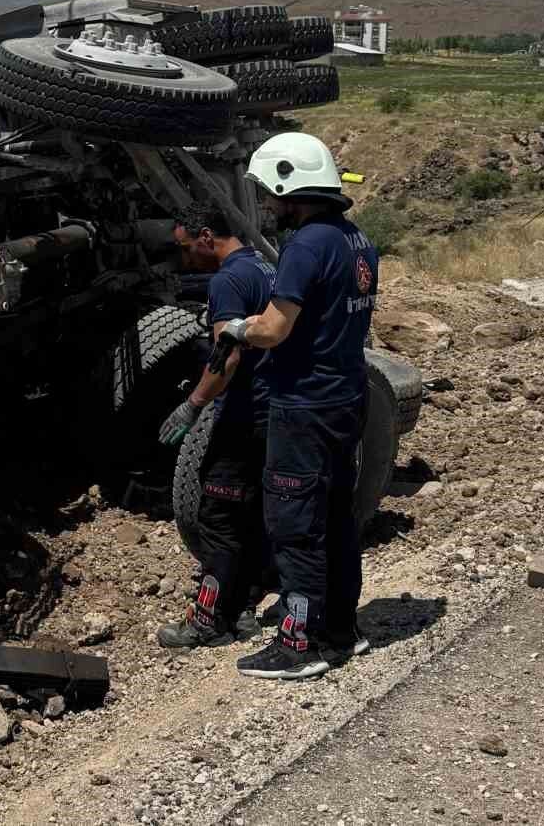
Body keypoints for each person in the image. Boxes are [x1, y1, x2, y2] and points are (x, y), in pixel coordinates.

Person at [215, 133, 378, 680]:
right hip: (344, 396)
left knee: (293, 523)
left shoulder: (306, 246)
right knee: (335, 514)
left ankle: (297, 643)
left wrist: (238, 327)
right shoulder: (356, 240)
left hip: (303, 405)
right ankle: (339, 628)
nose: (268, 206)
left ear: (291, 188)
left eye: (270, 196)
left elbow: (275, 329)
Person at [155, 201, 274, 649]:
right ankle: (243, 609)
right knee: (252, 512)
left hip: (245, 413)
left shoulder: (226, 280)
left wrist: (193, 404)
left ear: (207, 237)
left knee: (217, 515)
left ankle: (208, 620)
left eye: (186, 248)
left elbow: (228, 354)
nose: (185, 259)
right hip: (273, 410)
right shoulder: (264, 267)